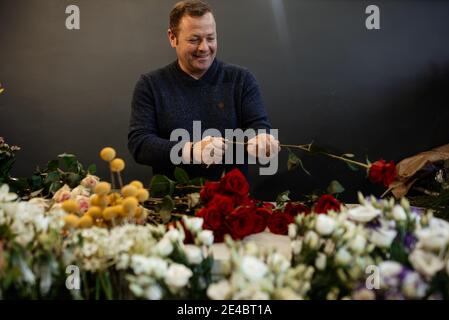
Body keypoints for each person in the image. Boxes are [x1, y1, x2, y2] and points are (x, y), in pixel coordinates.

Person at [128, 0, 280, 181]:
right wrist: (190, 151)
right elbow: (140, 144)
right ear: (172, 37)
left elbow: (258, 126)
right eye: (194, 39)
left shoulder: (241, 80)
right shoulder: (151, 85)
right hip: (172, 203)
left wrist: (263, 139)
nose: (204, 48)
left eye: (211, 38)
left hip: (231, 200)